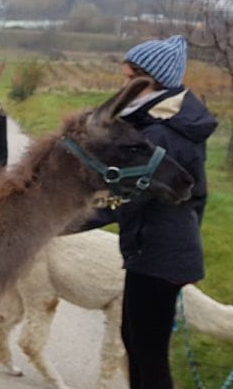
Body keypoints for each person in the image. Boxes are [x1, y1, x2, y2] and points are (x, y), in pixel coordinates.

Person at [82, 35, 217, 389]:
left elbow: (121, 198)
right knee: (136, 342)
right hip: (157, 252)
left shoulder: (160, 136)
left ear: (149, 82)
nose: (122, 86)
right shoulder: (162, 125)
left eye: (128, 79)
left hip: (160, 257)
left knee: (148, 353)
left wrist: (53, 224)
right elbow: (196, 197)